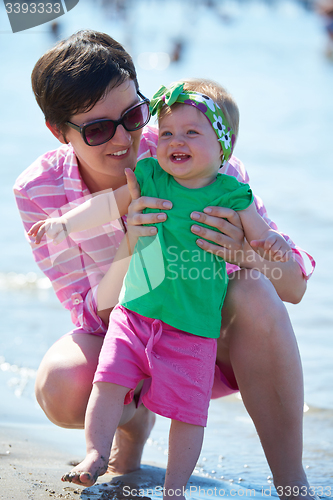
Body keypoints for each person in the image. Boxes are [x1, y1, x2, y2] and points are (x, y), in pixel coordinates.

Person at [13, 30, 315, 499]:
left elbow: (293, 287)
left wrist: (243, 253)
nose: (124, 139)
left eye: (133, 115)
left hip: (206, 339)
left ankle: (293, 484)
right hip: (130, 333)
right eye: (97, 129)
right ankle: (130, 430)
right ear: (60, 131)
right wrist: (132, 247)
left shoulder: (193, 151)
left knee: (254, 289)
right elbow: (93, 317)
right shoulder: (39, 191)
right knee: (63, 382)